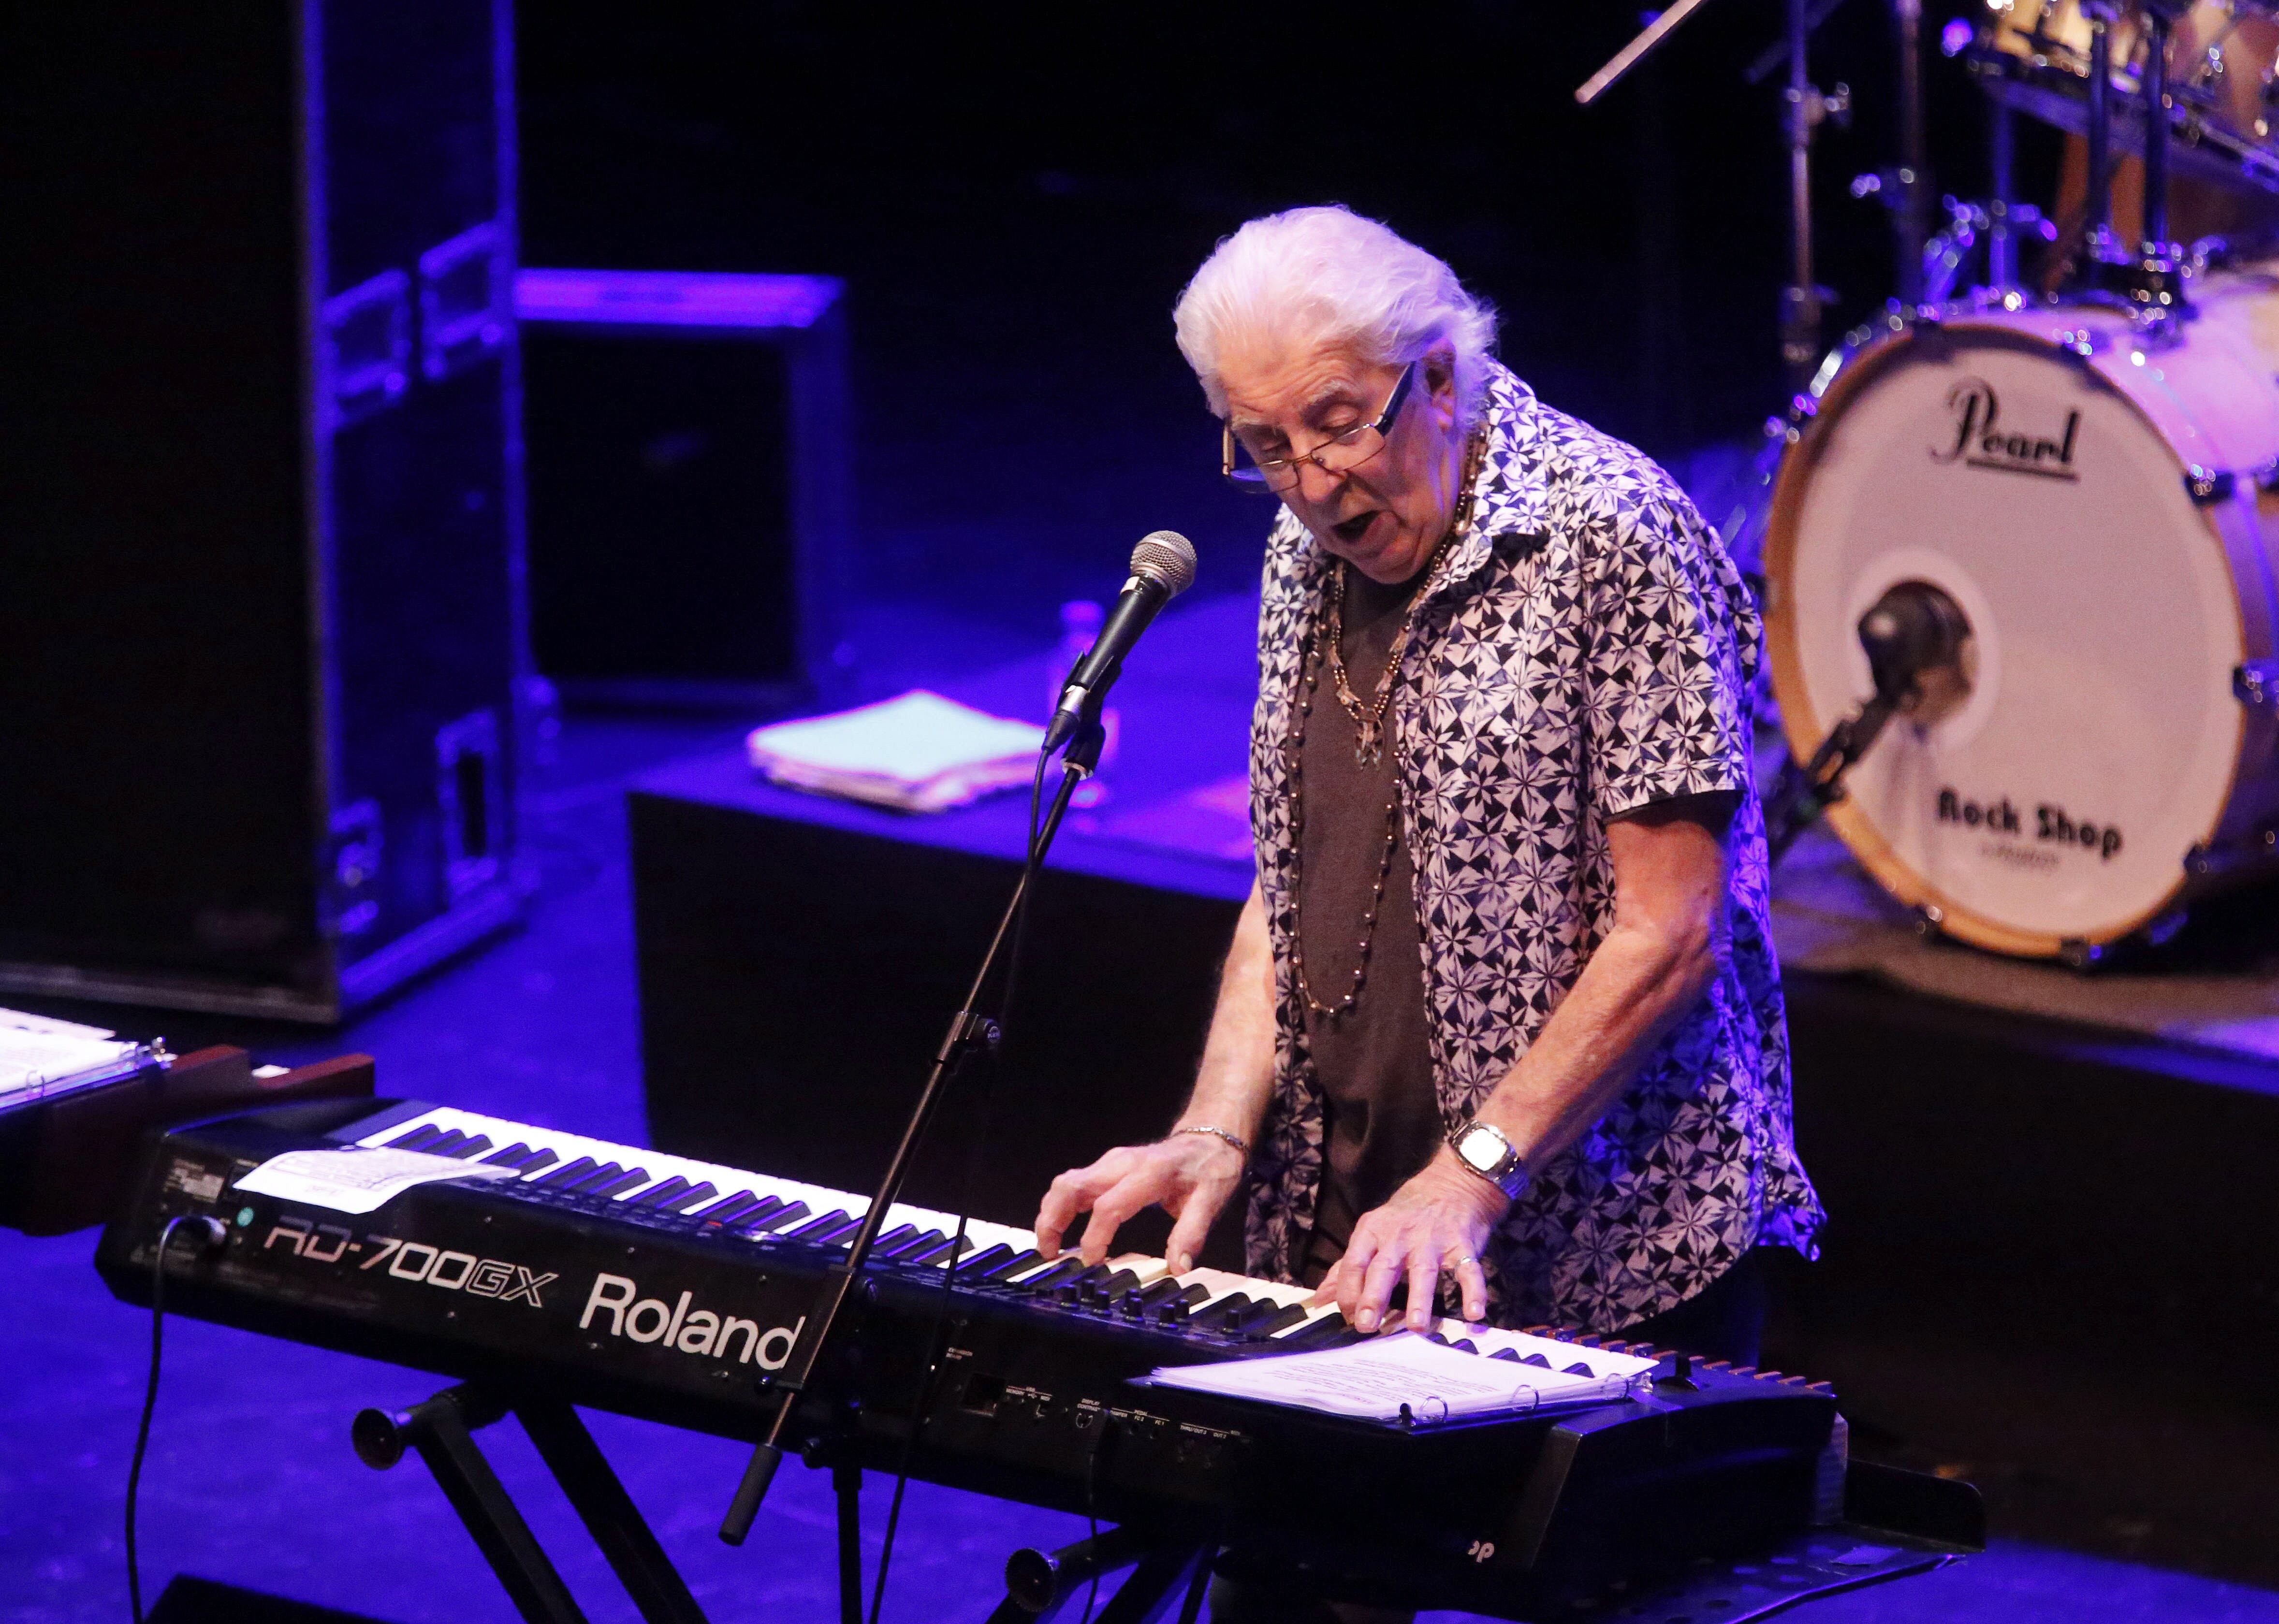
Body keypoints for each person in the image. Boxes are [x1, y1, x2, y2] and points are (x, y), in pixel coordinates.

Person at [1033, 204, 1822, 1379]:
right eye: (1264, 447)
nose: (1307, 483)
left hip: (1597, 1258)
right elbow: (1287, 882)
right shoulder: (1304, 550)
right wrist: (1211, 1128)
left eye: (1336, 426)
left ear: (1438, 376)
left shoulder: (1612, 534)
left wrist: (1468, 1176)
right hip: (1348, 1235)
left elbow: (1670, 931)